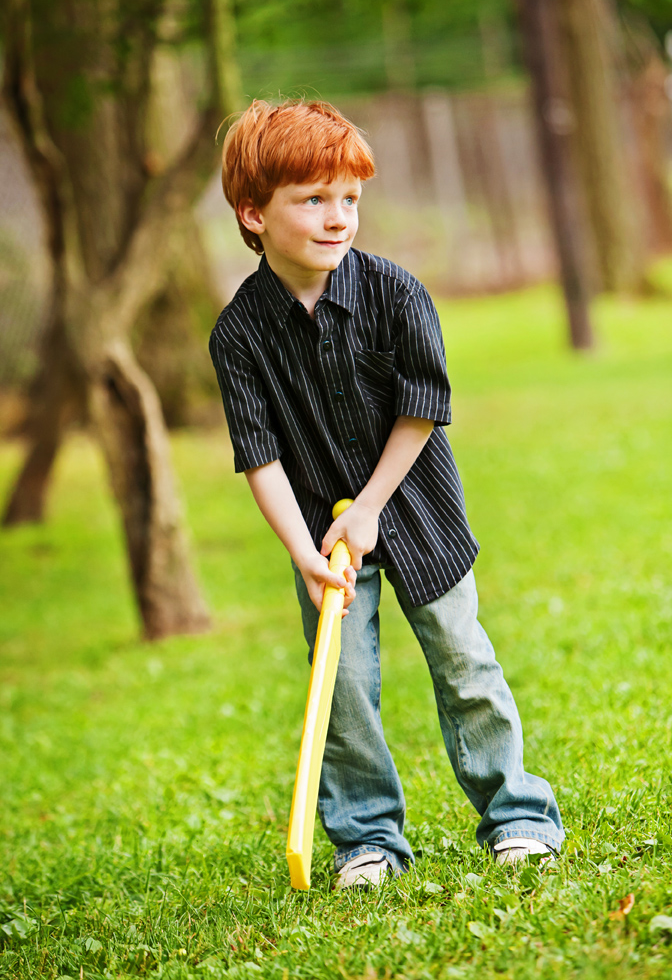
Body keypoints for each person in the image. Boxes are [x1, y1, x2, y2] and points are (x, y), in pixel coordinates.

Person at [209, 99, 564, 888]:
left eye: (349, 198)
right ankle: (367, 839)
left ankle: (516, 814)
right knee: (340, 687)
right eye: (311, 199)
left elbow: (421, 409)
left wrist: (368, 506)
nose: (337, 218)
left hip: (415, 511)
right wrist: (304, 554)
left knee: (464, 662)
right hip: (322, 539)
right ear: (252, 213)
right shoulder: (237, 333)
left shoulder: (396, 293)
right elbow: (259, 454)